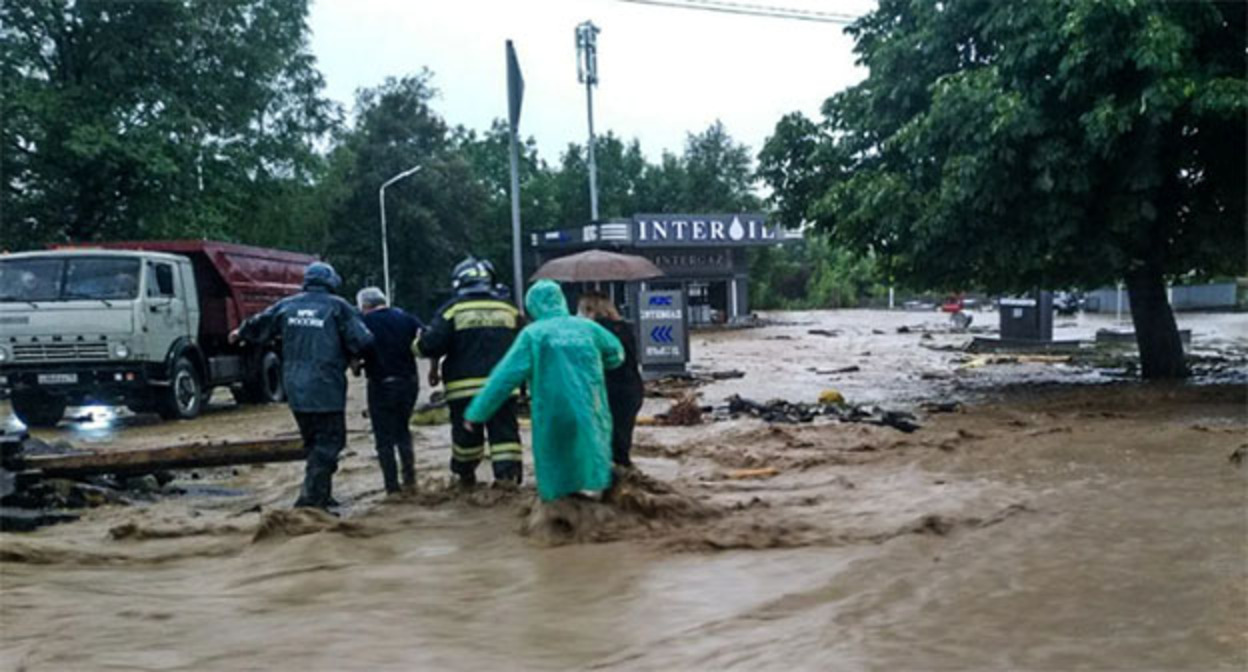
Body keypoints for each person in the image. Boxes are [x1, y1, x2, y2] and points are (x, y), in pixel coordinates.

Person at [230, 262, 373, 511]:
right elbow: (363, 341)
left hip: (295, 389)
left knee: (314, 443)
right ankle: (309, 504)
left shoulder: (288, 305)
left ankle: (322, 496)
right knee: (330, 443)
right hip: (326, 387)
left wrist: (239, 332)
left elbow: (259, 324)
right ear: (331, 282)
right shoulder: (338, 307)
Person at [465, 280, 624, 501]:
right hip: (590, 407)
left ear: (533, 307)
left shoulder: (533, 335)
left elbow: (504, 378)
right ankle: (604, 505)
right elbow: (616, 354)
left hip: (552, 412)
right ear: (561, 300)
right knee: (593, 454)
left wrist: (476, 412)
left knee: (554, 466)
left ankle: (558, 513)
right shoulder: (588, 327)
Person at [413, 257, 523, 487]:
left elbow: (429, 345)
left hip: (463, 389)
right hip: (503, 387)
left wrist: (417, 343)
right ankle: (508, 480)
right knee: (505, 436)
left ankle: (465, 479)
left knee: (466, 438)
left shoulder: (453, 309)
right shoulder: (509, 308)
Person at [355, 286, 424, 495]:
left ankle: (392, 488)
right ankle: (410, 481)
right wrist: (434, 370)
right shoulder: (406, 317)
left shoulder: (364, 323)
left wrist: (355, 366)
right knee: (403, 431)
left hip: (380, 384)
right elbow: (427, 339)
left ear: (365, 305)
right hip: (408, 383)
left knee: (383, 438)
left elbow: (356, 351)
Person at [577, 292, 644, 468]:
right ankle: (625, 476)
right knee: (621, 440)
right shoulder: (626, 328)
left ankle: (610, 482)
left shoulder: (593, 332)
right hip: (633, 389)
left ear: (590, 310)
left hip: (609, 389)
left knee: (603, 440)